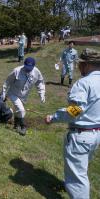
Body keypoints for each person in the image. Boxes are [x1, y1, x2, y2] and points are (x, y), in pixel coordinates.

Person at [45, 48, 100, 199]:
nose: (78, 67)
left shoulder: (83, 83)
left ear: (87, 64)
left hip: (81, 135)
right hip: (96, 134)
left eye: (80, 64)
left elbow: (76, 110)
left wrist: (54, 117)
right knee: (81, 169)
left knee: (77, 178)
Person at [0, 57, 45, 135]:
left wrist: (42, 94)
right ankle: (23, 127)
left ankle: (16, 125)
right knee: (21, 110)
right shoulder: (17, 71)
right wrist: (3, 93)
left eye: (30, 68)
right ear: (24, 65)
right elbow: (7, 82)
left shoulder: (36, 72)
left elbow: (40, 82)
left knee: (18, 111)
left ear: (33, 66)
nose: (28, 69)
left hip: (24, 96)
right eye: (27, 67)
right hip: (13, 93)